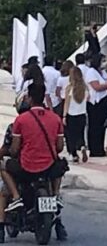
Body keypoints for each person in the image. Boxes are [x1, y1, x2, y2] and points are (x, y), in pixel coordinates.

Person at [6, 82, 67, 241]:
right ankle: (55, 194)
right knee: (60, 165)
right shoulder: (56, 119)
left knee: (4, 166)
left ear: (30, 99)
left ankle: (16, 197)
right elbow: (59, 147)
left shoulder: (21, 120)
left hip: (26, 167)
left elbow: (14, 149)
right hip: (49, 168)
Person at [83, 54, 107, 158]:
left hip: (103, 100)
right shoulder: (91, 72)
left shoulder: (103, 72)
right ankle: (94, 149)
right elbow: (96, 86)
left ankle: (100, 148)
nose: (104, 63)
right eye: (103, 61)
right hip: (95, 102)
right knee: (94, 125)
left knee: (102, 126)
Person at [62, 65, 89, 164]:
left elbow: (66, 103)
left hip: (71, 114)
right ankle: (82, 146)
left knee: (70, 136)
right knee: (80, 133)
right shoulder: (85, 88)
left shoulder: (69, 88)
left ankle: (73, 154)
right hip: (82, 114)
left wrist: (64, 116)